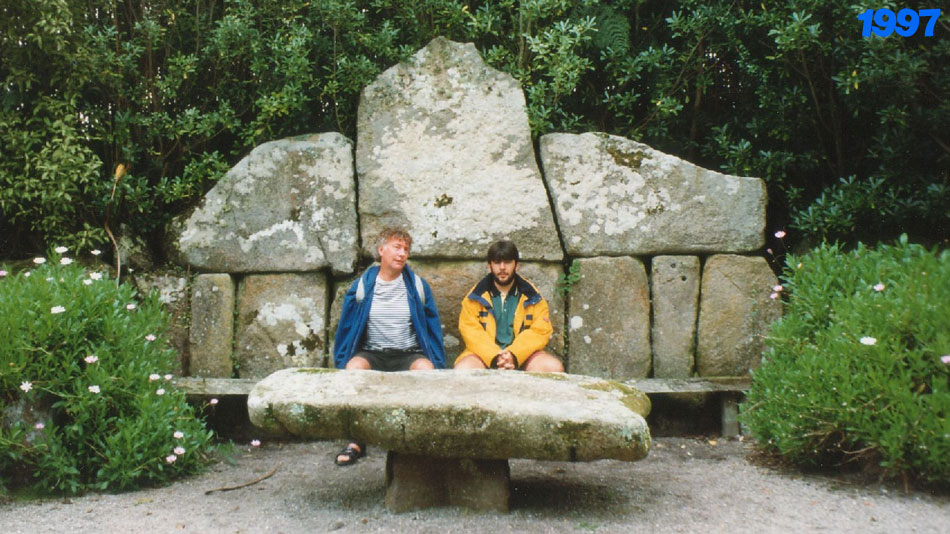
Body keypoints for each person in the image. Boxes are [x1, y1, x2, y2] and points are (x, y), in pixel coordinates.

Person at [332, 227, 445, 465]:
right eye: (396, 247)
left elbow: (433, 328)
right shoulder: (362, 286)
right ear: (381, 250)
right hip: (373, 353)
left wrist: (437, 362)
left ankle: (417, 439)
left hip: (408, 353)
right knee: (354, 371)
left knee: (426, 372)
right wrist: (342, 361)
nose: (402, 254)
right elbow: (346, 327)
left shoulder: (417, 286)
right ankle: (356, 440)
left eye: (406, 249)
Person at [455, 240, 564, 372]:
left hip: (524, 355)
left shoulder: (533, 297)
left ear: (516, 265)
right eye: (497, 262)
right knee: (464, 369)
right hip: (483, 355)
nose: (502, 267)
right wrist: (495, 357)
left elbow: (540, 330)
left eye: (507, 262)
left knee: (552, 367)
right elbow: (470, 331)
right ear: (490, 266)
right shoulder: (474, 297)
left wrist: (514, 355)